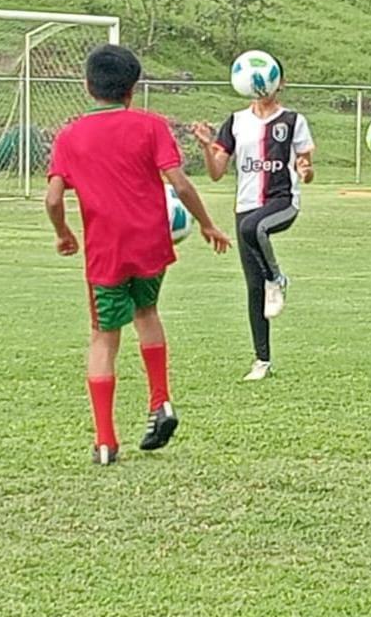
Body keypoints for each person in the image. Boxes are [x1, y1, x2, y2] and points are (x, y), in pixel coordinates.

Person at [46, 44, 232, 466]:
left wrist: (63, 233)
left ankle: (107, 441)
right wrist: (206, 223)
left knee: (103, 337)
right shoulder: (152, 125)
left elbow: (54, 197)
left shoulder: (70, 136)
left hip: (106, 251)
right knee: (147, 312)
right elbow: (180, 185)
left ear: (87, 86)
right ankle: (160, 401)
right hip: (151, 242)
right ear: (132, 89)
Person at [191, 71, 315, 381]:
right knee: (253, 287)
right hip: (245, 205)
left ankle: (278, 278)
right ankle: (262, 361)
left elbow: (306, 166)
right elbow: (217, 172)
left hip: (282, 201)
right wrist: (208, 146)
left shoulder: (292, 120)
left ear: (280, 83)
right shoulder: (235, 122)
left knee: (252, 229)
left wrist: (305, 169)